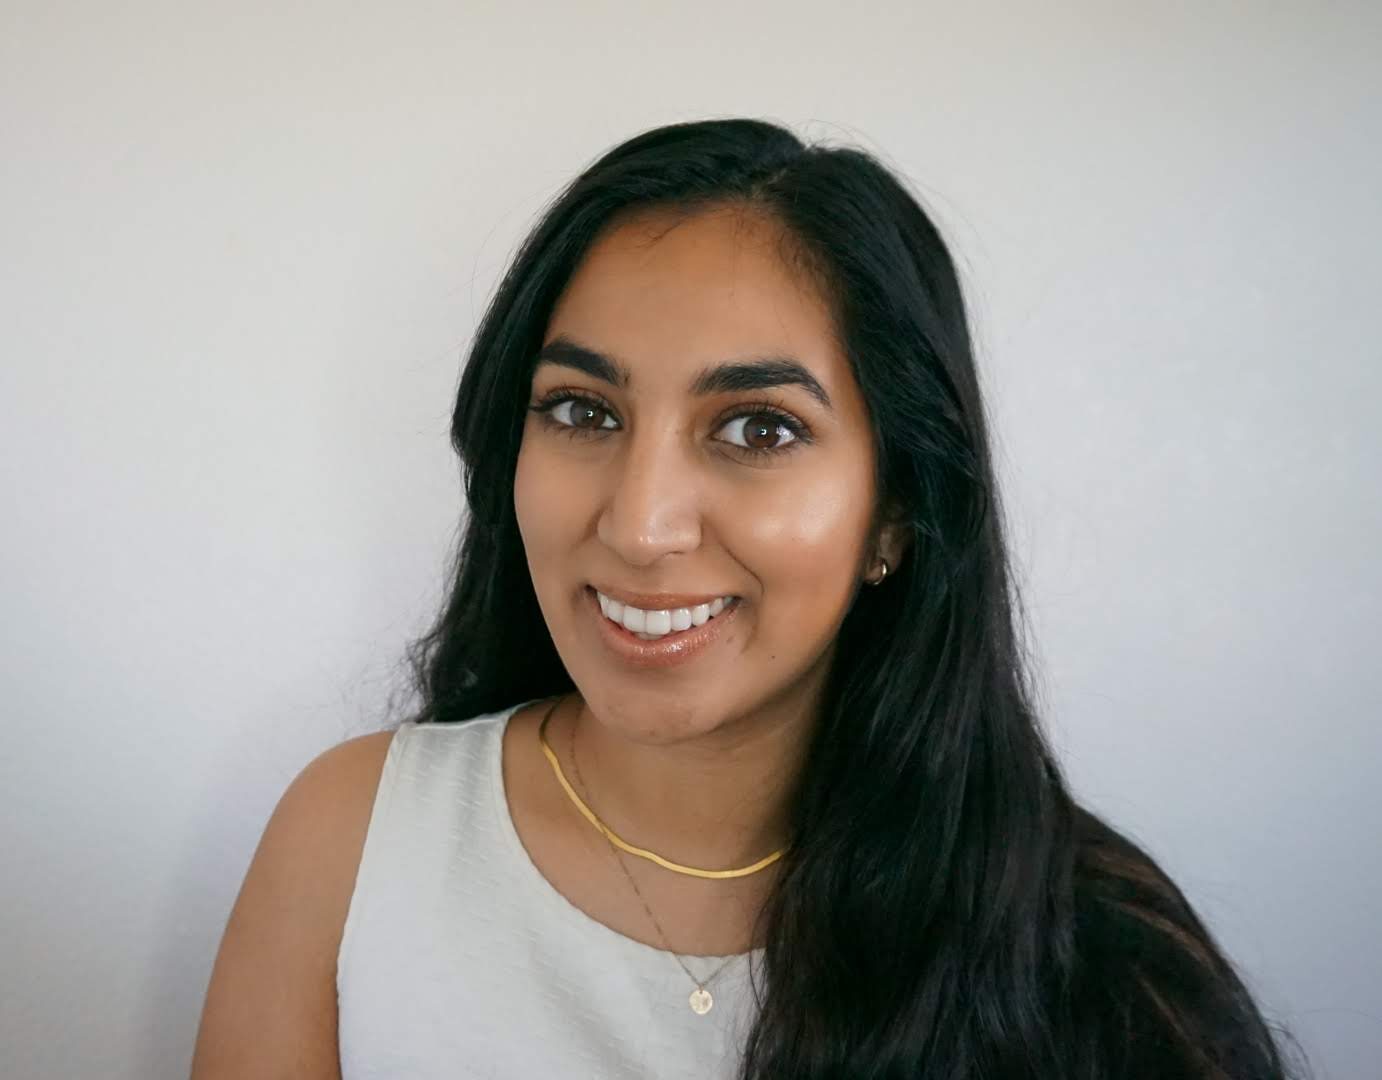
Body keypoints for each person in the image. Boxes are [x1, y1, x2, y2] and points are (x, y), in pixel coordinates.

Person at [191, 117, 1307, 1078]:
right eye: (581, 411)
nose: (639, 525)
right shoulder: (353, 841)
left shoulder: (1092, 954)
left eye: (757, 429)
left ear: (894, 514)